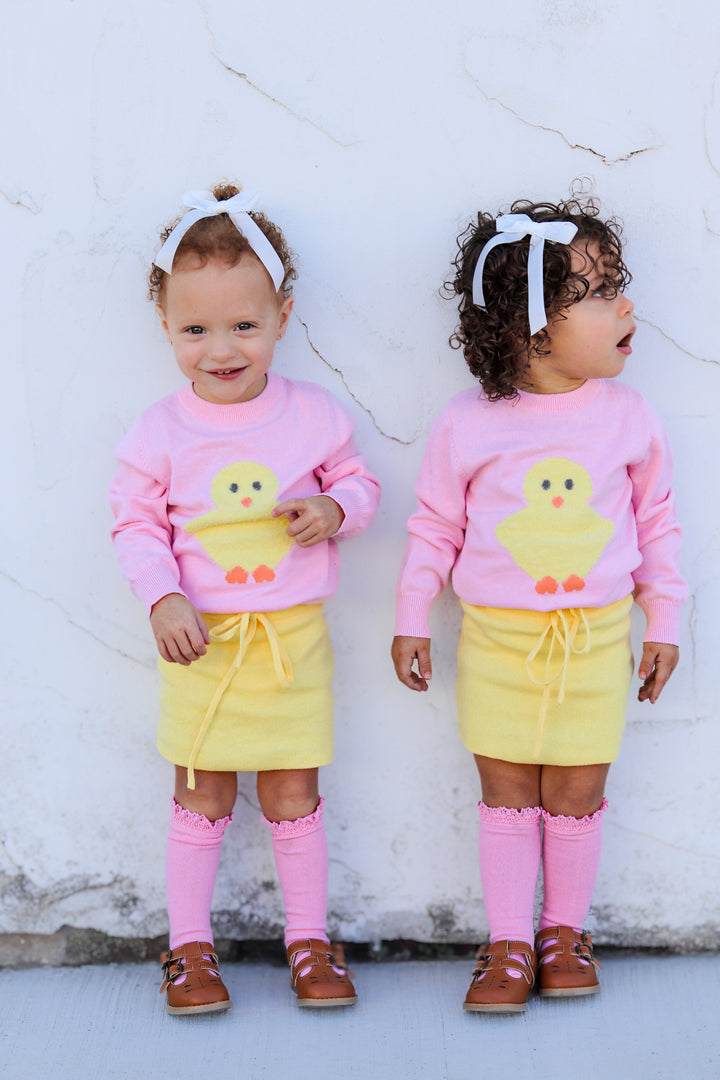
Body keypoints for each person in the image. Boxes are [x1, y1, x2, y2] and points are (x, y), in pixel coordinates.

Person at [391, 198, 685, 1013]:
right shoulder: (470, 423)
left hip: (593, 640)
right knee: (508, 789)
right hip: (496, 642)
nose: (624, 305)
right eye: (595, 293)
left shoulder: (628, 417)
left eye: (616, 285)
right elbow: (435, 526)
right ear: (529, 327)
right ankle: (509, 941)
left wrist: (664, 619)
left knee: (576, 791)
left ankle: (563, 931)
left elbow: (657, 523)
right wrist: (413, 612)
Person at [110, 184, 380, 1014]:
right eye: (195, 329)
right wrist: (163, 597)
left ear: (282, 316)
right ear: (166, 325)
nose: (220, 349)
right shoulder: (161, 430)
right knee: (203, 793)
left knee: (292, 794)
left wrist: (335, 511)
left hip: (291, 642)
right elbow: (135, 524)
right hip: (203, 647)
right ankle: (189, 948)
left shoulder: (312, 415)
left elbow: (361, 486)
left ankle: (308, 940)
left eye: (243, 326)